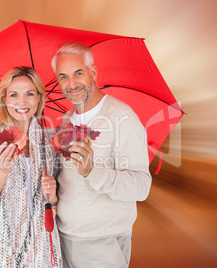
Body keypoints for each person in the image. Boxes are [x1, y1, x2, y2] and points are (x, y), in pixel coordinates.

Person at [50, 42, 152, 268]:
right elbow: (69, 184)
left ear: (93, 73)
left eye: (78, 73)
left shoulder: (121, 116)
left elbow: (142, 186)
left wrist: (94, 172)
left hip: (104, 243)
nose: (72, 84)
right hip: (63, 237)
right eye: (63, 77)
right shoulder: (65, 122)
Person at [0, 66, 62, 268]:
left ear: (39, 97)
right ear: (4, 99)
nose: (22, 102)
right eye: (14, 95)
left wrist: (53, 195)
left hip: (43, 247)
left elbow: (55, 201)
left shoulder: (50, 140)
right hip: (2, 247)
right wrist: (1, 172)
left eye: (29, 93)